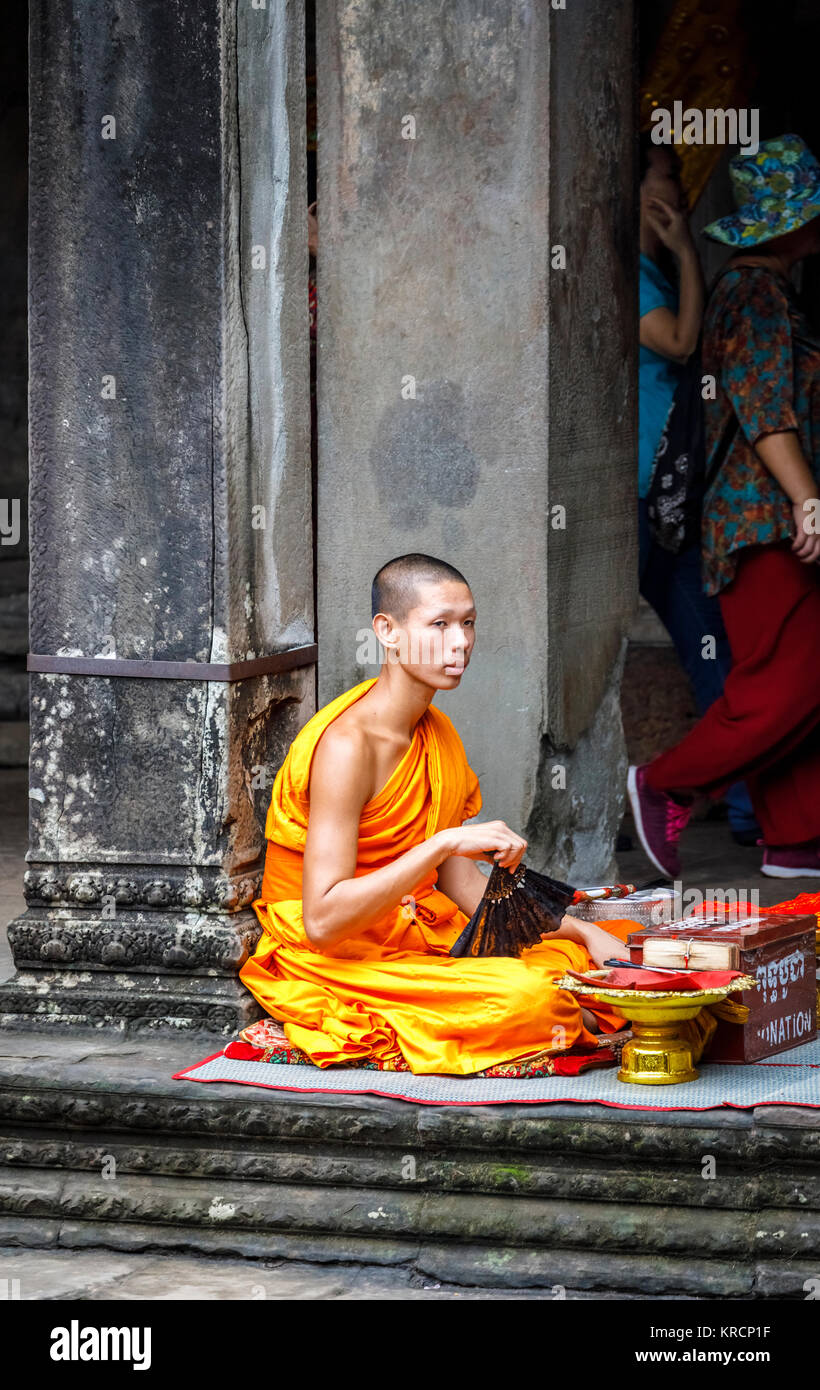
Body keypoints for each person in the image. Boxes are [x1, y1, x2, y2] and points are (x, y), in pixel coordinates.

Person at [240, 554, 631, 1074]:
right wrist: (442, 843)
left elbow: (462, 888)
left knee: (617, 950)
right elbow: (323, 922)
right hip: (338, 957)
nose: (461, 642)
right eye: (439, 624)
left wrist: (581, 931)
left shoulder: (436, 733)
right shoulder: (347, 748)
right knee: (535, 998)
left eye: (468, 623)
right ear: (388, 631)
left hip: (413, 932)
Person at [629, 134, 820, 880]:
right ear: (792, 223)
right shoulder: (755, 295)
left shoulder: (764, 292)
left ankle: (795, 838)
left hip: (763, 519)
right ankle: (666, 783)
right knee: (786, 682)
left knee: (788, 677)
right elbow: (765, 408)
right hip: (761, 520)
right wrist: (808, 500)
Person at [638, 135, 758, 844]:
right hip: (651, 499)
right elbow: (683, 342)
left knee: (715, 650)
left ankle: (739, 807)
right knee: (715, 650)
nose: (673, 200)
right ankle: (742, 810)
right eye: (657, 187)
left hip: (671, 497)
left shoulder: (651, 267)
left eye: (677, 186)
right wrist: (687, 251)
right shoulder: (637, 272)